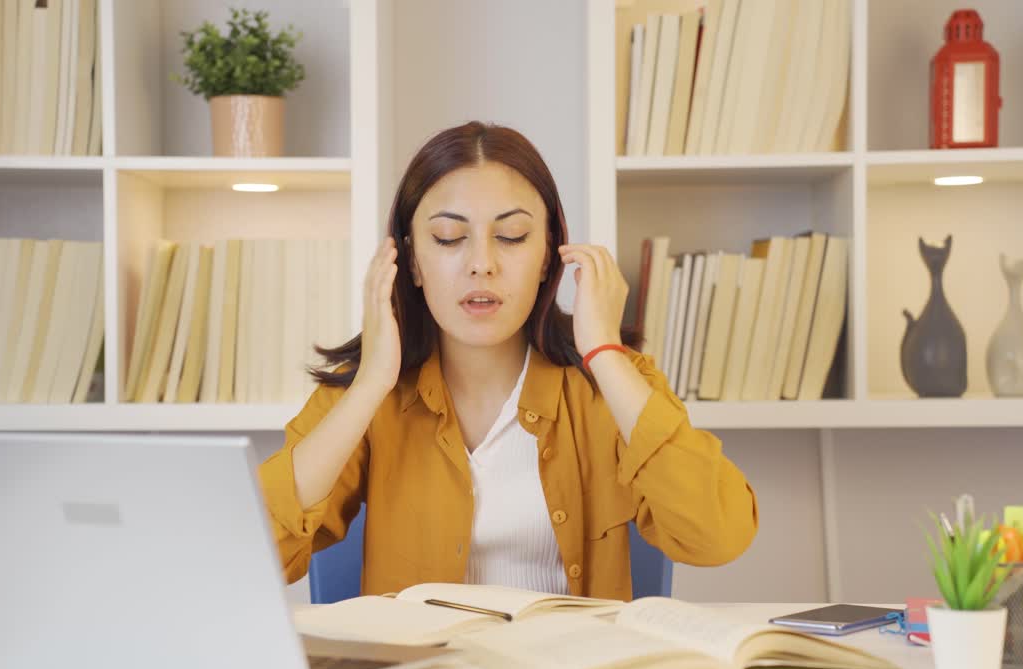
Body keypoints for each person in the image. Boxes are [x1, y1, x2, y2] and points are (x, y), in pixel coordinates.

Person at [257, 121, 757, 600]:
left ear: (547, 256)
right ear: (410, 261)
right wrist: (369, 385)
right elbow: (259, 553)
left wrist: (604, 352)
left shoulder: (611, 384)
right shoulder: (366, 393)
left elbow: (717, 537)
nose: (482, 263)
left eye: (513, 236)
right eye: (450, 238)